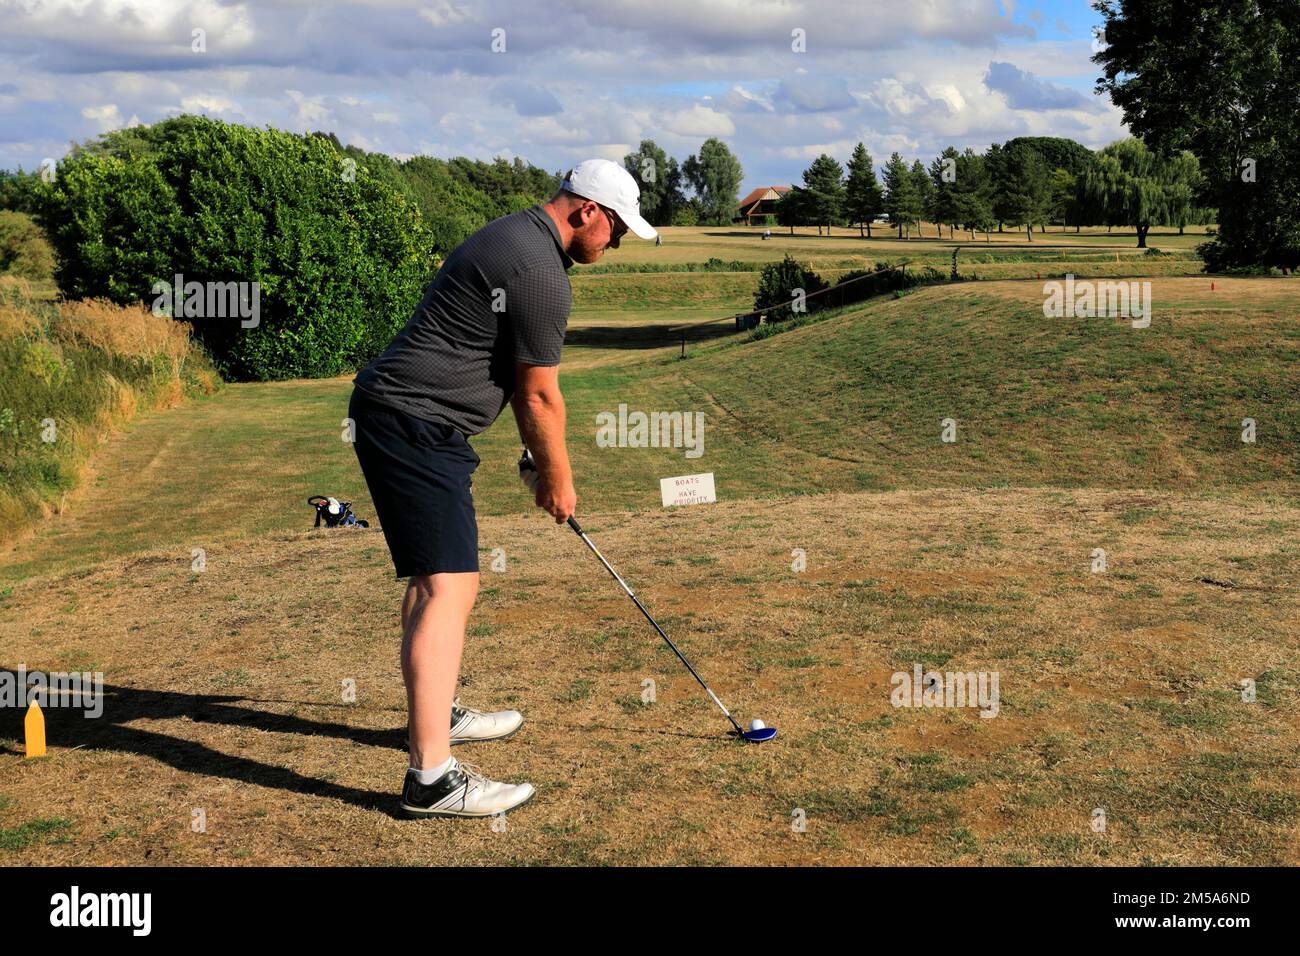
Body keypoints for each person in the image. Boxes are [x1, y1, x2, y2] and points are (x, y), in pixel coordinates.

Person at [348, 159, 657, 819]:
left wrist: (533, 458)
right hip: (414, 423)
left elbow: (501, 368)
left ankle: (434, 717)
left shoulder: (518, 237)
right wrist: (557, 479)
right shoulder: (541, 271)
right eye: (618, 230)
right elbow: (539, 392)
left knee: (436, 582)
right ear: (586, 211)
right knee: (449, 586)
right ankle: (430, 779)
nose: (618, 243)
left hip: (404, 417)